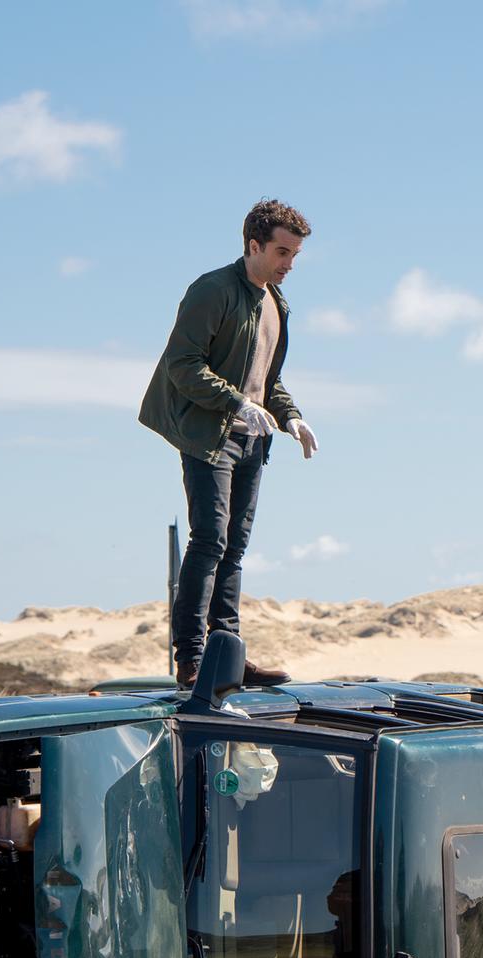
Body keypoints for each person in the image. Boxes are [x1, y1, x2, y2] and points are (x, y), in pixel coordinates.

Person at [139, 199, 323, 688]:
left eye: (295, 255)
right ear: (253, 245)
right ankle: (193, 660)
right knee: (209, 542)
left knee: (234, 549)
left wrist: (293, 418)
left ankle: (228, 654)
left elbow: (268, 380)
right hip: (209, 437)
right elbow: (183, 364)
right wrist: (235, 403)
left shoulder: (276, 304)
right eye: (282, 252)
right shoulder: (212, 290)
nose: (289, 264)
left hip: (254, 442)